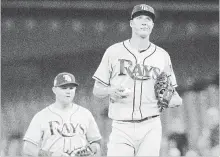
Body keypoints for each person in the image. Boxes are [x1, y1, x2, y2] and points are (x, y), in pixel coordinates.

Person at [92, 4, 182, 156]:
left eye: (148, 19)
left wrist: (173, 100)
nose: (144, 22)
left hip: (150, 125)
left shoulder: (162, 56)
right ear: (131, 23)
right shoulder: (113, 52)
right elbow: (97, 90)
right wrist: (110, 90)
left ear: (152, 25)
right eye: (139, 18)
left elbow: (173, 95)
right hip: (121, 126)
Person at [23, 72, 102, 156]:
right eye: (64, 88)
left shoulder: (85, 114)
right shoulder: (41, 116)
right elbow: (27, 148)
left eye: (71, 88)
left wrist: (91, 149)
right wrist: (51, 155)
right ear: (54, 90)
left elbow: (96, 142)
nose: (68, 92)